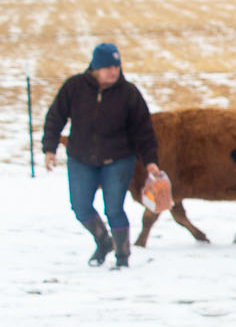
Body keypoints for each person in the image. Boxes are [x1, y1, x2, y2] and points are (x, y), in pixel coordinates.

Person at [41, 43, 158, 269]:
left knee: (114, 208)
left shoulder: (128, 93)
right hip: (81, 158)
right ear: (95, 67)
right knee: (80, 206)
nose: (113, 71)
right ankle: (104, 242)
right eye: (107, 67)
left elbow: (144, 129)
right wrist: (49, 148)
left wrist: (151, 160)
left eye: (116, 66)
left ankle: (122, 256)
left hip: (119, 159)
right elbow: (55, 117)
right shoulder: (74, 87)